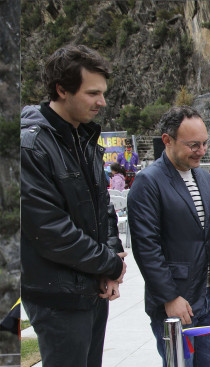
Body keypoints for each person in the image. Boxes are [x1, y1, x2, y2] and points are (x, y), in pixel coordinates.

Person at [20, 44, 127, 366]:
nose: (102, 102)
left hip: (91, 286)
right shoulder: (31, 146)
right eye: (93, 93)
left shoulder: (83, 138)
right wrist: (108, 264)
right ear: (61, 90)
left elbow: (103, 206)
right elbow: (49, 229)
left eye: (103, 93)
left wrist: (111, 259)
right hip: (58, 296)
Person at [127, 106, 210, 366]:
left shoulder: (205, 178)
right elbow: (146, 248)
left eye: (204, 143)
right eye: (193, 145)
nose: (201, 151)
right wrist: (169, 297)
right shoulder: (148, 182)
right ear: (167, 140)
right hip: (178, 302)